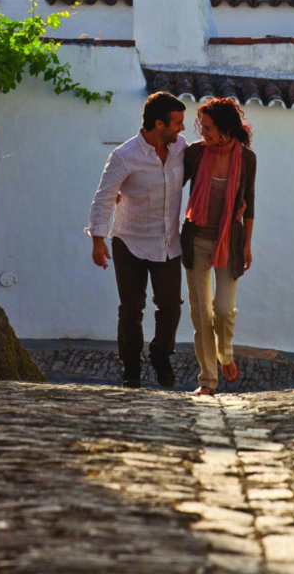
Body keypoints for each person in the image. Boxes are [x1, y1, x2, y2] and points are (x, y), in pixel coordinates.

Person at [85, 92, 187, 389]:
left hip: (168, 241)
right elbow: (104, 197)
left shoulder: (180, 148)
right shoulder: (123, 156)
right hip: (129, 242)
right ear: (159, 124)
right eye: (177, 123)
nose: (182, 129)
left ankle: (160, 354)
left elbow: (204, 168)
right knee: (131, 308)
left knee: (170, 305)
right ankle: (131, 367)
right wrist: (97, 239)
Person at [182, 98, 256, 396]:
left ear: (226, 128)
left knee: (223, 310)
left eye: (208, 127)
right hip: (196, 239)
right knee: (201, 313)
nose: (203, 132)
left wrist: (248, 244)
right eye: (201, 126)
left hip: (230, 242)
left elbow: (249, 202)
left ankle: (225, 354)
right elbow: (170, 183)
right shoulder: (196, 153)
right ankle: (208, 381)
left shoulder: (247, 158)